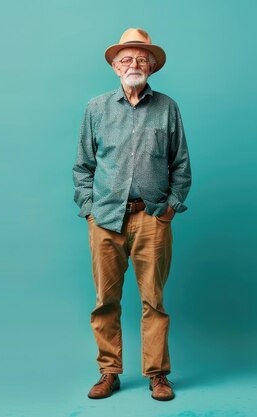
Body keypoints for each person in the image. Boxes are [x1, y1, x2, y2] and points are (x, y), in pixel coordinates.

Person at [72, 28, 192, 401]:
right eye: (126, 59)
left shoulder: (167, 107)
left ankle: (157, 374)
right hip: (105, 219)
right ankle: (109, 372)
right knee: (105, 301)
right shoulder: (96, 108)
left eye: (141, 58)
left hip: (152, 217)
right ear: (114, 67)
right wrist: (89, 210)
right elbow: (83, 167)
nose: (133, 64)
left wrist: (169, 208)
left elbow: (181, 164)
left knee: (153, 301)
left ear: (152, 66)